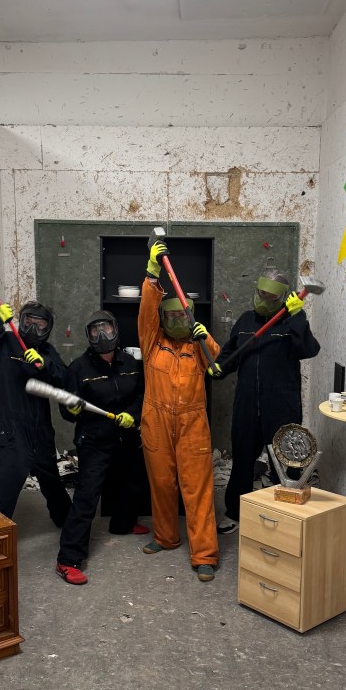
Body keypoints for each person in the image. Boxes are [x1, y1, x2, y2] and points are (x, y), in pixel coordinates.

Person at [211, 270, 320, 534]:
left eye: (271, 296)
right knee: (242, 461)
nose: (263, 299)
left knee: (286, 463)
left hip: (281, 406)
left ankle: (288, 516)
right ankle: (235, 513)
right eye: (261, 293)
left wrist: (297, 316)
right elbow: (229, 355)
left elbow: (309, 349)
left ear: (282, 298)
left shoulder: (290, 322)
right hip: (246, 406)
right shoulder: (246, 321)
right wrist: (217, 367)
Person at [137, 237, 220, 581]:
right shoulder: (151, 342)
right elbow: (146, 314)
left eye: (179, 315)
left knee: (197, 486)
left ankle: (204, 554)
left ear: (189, 317)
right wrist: (152, 274)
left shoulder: (197, 344)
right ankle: (166, 537)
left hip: (192, 423)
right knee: (161, 482)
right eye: (167, 315)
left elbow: (218, 365)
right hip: (156, 420)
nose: (173, 321)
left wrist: (206, 338)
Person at [55, 311, 149, 585]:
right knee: (86, 498)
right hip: (94, 439)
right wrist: (70, 408)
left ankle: (122, 524)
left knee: (131, 483)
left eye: (106, 328)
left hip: (126, 434)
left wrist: (133, 412)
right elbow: (67, 411)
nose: (102, 335)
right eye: (95, 331)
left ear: (115, 329)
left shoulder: (130, 362)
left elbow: (142, 394)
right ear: (89, 336)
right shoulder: (78, 368)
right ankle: (67, 559)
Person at [0, 299, 72, 527]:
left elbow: (65, 377)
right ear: (20, 322)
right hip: (11, 431)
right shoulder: (3, 344)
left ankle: (69, 523)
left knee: (52, 483)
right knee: (5, 488)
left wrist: (46, 364)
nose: (33, 329)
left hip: (41, 430)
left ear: (48, 329)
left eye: (40, 325)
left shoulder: (47, 352)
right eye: (28, 322)